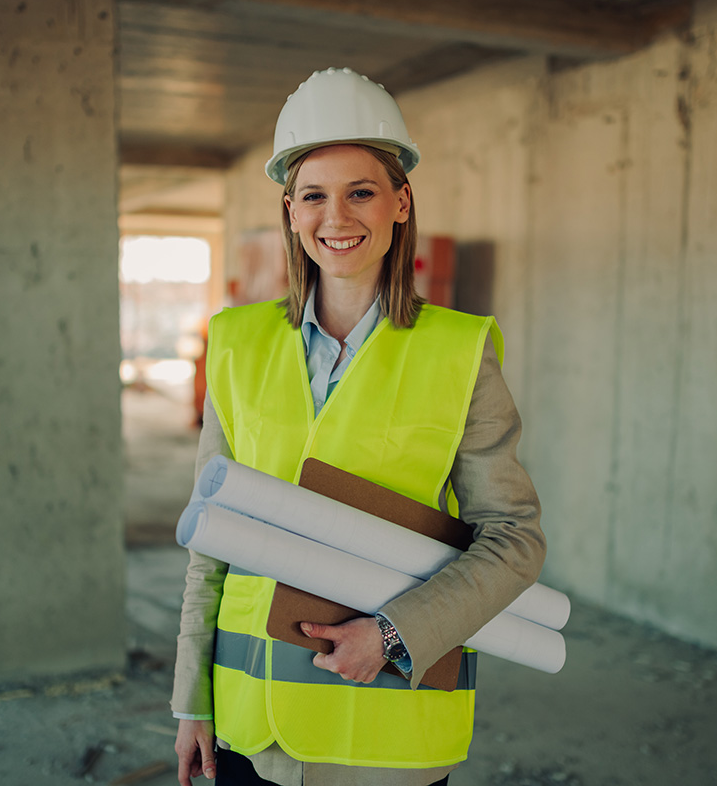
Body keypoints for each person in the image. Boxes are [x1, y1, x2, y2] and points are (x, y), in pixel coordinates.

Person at [172, 67, 546, 786]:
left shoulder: (460, 351)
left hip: (390, 734)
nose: (335, 217)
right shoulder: (237, 344)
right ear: (289, 211)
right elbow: (208, 537)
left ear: (401, 203)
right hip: (250, 728)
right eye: (313, 195)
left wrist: (395, 635)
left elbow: (514, 538)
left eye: (361, 192)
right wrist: (191, 700)